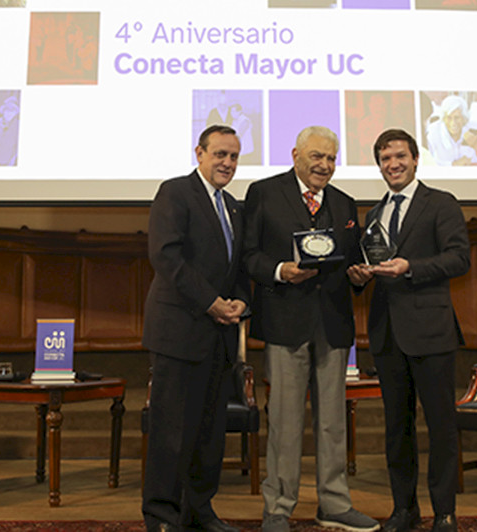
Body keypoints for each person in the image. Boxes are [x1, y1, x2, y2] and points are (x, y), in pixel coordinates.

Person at [243, 126, 379, 532]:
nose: (324, 165)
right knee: (284, 422)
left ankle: (334, 504)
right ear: (296, 155)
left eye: (331, 159)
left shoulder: (345, 204)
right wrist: (280, 270)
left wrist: (361, 276)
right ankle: (278, 509)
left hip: (334, 326)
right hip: (285, 323)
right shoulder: (264, 193)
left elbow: (354, 263)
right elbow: (247, 255)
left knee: (332, 422)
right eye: (317, 156)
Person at [347, 129, 470, 532]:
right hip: (387, 335)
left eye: (400, 156)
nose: (393, 165)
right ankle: (405, 509)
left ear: (416, 159)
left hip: (431, 332)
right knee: (396, 429)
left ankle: (445, 512)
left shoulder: (441, 203)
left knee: (440, 426)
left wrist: (410, 267)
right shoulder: (374, 214)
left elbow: (458, 258)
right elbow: (373, 266)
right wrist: (359, 276)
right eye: (384, 159)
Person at [141, 125, 250, 532]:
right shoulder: (175, 192)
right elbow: (167, 257)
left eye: (234, 157)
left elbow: (235, 267)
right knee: (171, 433)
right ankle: (162, 516)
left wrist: (241, 301)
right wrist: (211, 303)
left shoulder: (234, 208)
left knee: (209, 435)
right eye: (220, 154)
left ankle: (199, 511)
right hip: (180, 333)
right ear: (199, 153)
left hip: (219, 337)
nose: (227, 163)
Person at [425, 95, 477, 166]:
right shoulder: (433, 132)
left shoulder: (473, 129)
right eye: (449, 118)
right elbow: (428, 163)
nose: (453, 123)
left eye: (457, 118)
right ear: (443, 119)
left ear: (464, 118)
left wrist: (476, 145)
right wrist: (454, 164)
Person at [0, 96, 20, 166]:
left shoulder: (18, 125)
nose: (9, 113)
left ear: (16, 112)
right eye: (7, 110)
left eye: (12, 110)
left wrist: (13, 160)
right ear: (3, 111)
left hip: (11, 162)